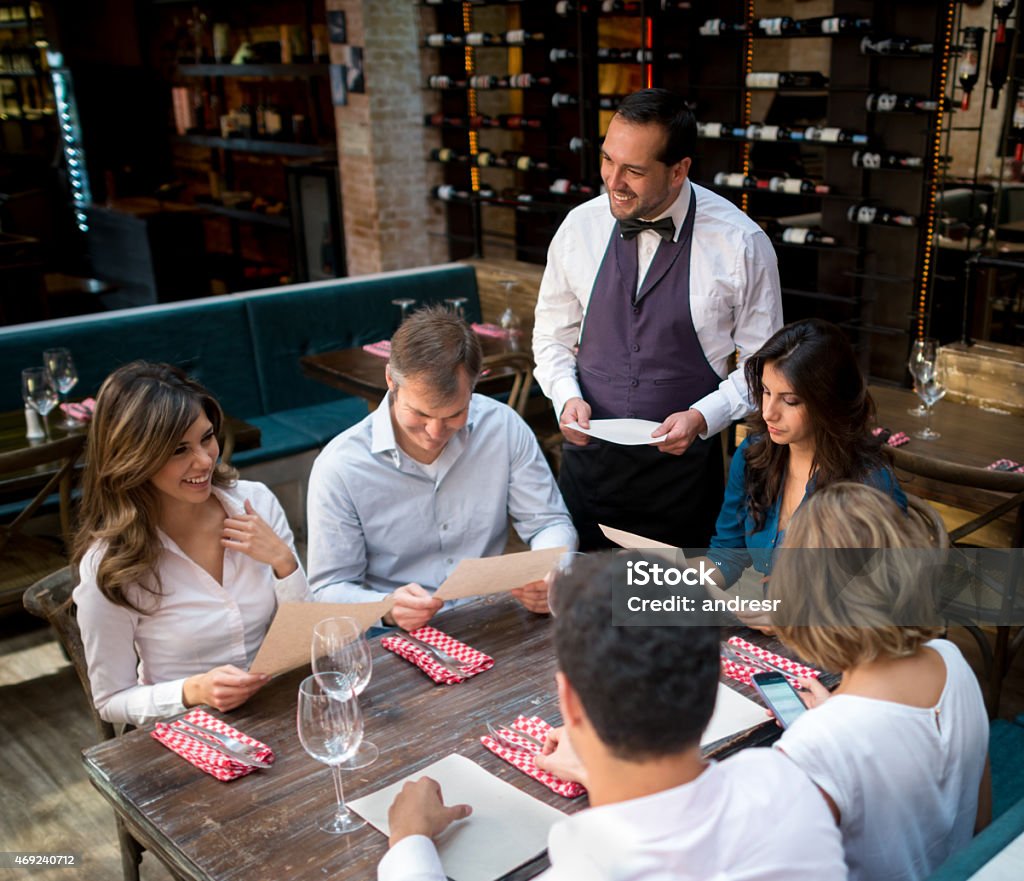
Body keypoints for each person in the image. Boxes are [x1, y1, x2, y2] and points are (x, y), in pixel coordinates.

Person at [377, 552, 847, 880]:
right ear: (714, 684)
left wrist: (409, 844)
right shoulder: (793, 787)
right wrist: (592, 772)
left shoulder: (587, 866)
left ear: (570, 701)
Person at [532, 87, 782, 550]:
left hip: (683, 485)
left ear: (679, 170)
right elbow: (550, 337)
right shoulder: (578, 228)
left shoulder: (741, 243)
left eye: (634, 170)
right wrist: (565, 397)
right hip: (588, 476)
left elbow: (762, 368)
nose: (613, 180)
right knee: (577, 614)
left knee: (672, 614)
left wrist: (702, 417)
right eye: (608, 160)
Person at [770, 483, 991, 881]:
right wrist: (835, 717)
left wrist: (830, 729)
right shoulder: (954, 661)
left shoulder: (813, 748)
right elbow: (980, 818)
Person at [307, 306, 577, 630]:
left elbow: (548, 522)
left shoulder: (503, 427)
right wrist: (386, 608)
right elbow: (327, 588)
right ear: (391, 379)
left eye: (453, 415)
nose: (435, 433)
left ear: (477, 383)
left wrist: (548, 570)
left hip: (489, 618)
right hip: (391, 638)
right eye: (419, 414)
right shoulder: (339, 467)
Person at [73, 362, 310, 727]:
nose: (204, 460)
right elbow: (111, 701)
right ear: (134, 460)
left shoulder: (256, 503)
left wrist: (284, 563)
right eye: (178, 450)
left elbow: (304, 639)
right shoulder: (110, 566)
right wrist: (191, 691)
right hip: (188, 733)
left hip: (277, 710)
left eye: (206, 437)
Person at [707, 318, 907, 589]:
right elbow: (727, 554)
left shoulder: (868, 483)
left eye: (790, 401)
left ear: (828, 401)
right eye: (766, 392)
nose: (768, 412)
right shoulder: (755, 454)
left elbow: (880, 595)